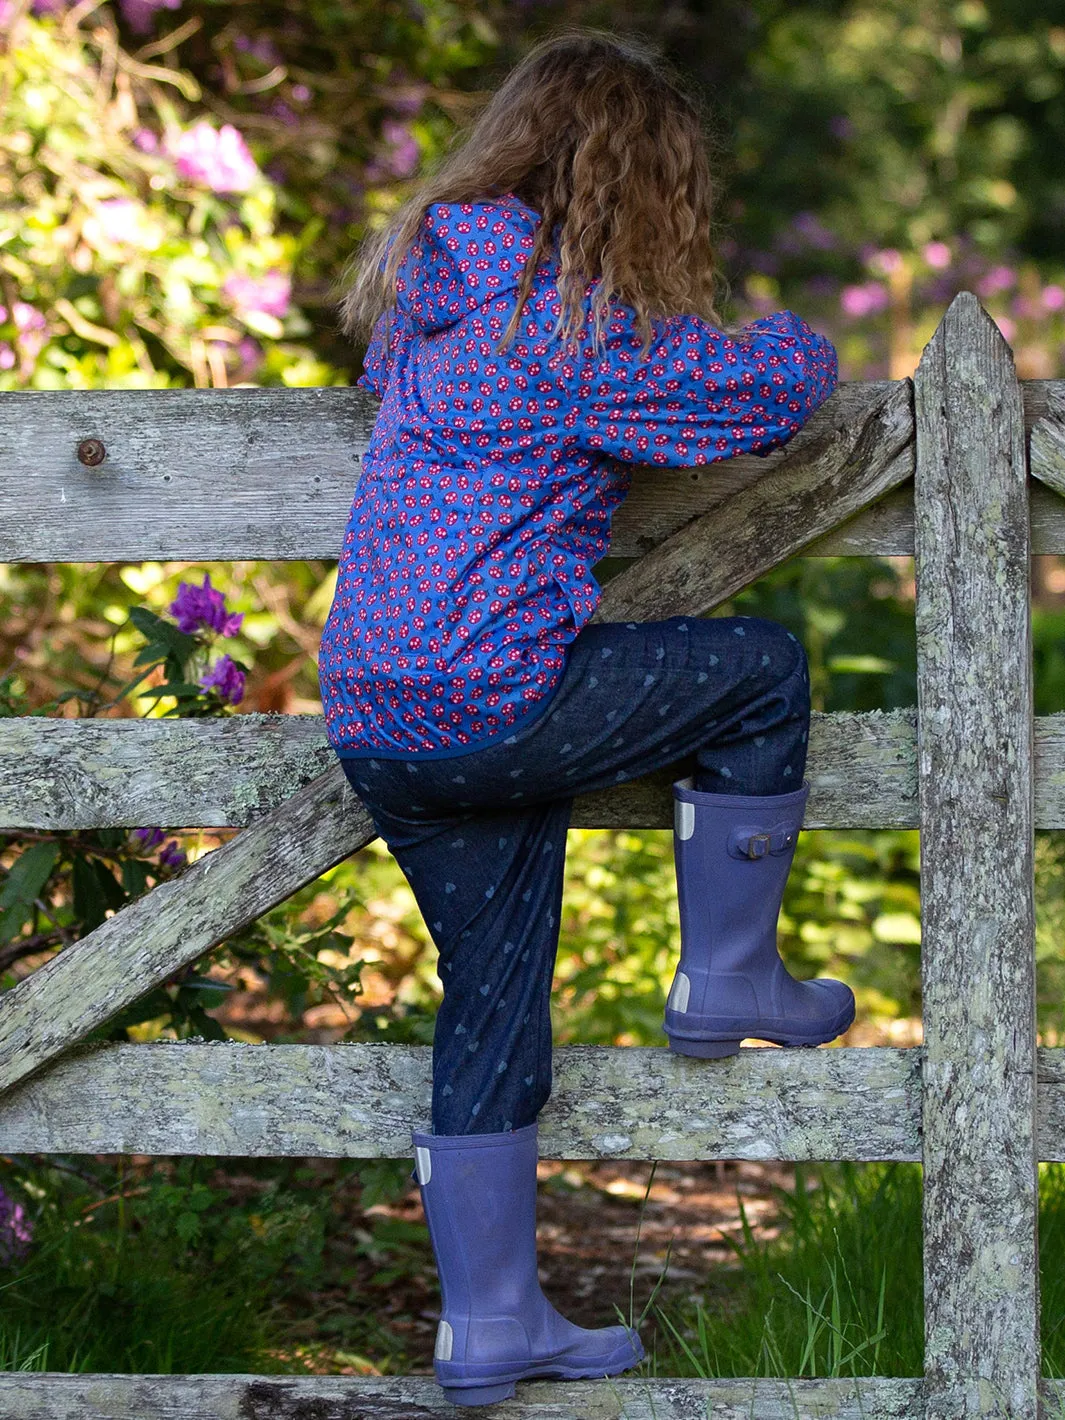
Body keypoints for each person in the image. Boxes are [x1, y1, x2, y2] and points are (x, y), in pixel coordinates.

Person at [319, 26, 854, 1408]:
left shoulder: (428, 303)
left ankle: (491, 1326)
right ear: (629, 182)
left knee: (491, 1004)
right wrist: (802, 337)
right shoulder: (571, 327)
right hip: (493, 697)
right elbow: (766, 394)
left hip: (380, 722)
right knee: (760, 672)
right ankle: (729, 974)